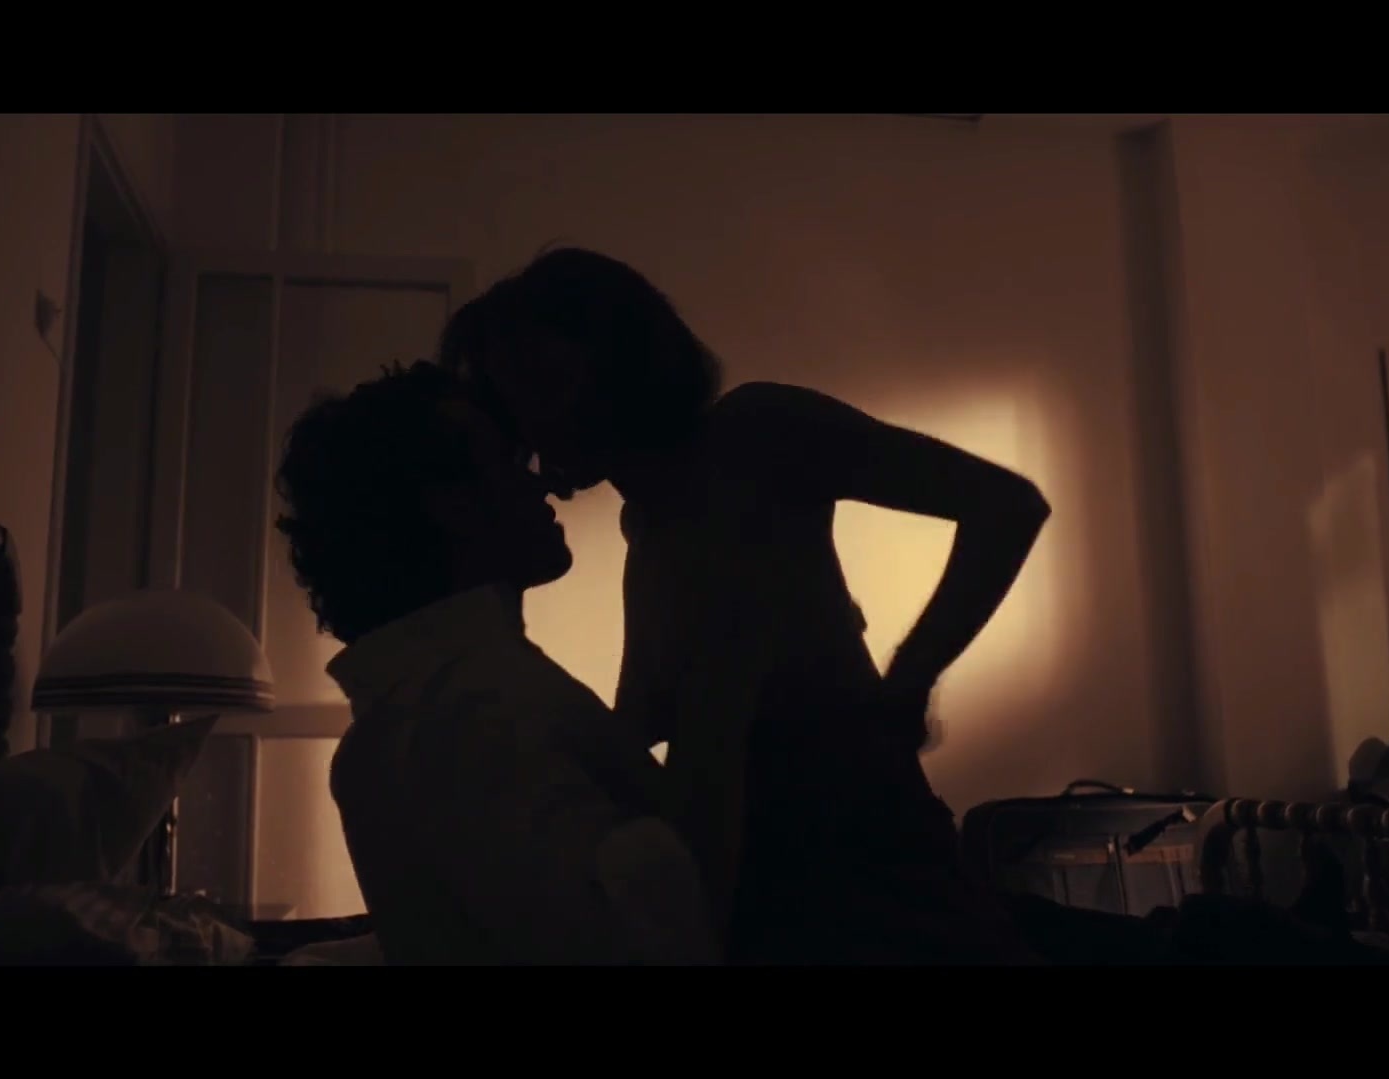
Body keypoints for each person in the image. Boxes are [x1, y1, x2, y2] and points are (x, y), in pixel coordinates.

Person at [437, 247, 1049, 964]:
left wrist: (911, 676)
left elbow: (1006, 505)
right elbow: (647, 716)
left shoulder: (756, 430)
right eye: (516, 399)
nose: (536, 422)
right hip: (761, 880)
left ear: (615, 359)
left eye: (545, 383)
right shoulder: (647, 521)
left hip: (865, 847)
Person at [272, 360, 716, 965]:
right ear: (449, 505)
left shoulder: (409, 718)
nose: (544, 484)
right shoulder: (481, 712)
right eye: (507, 463)